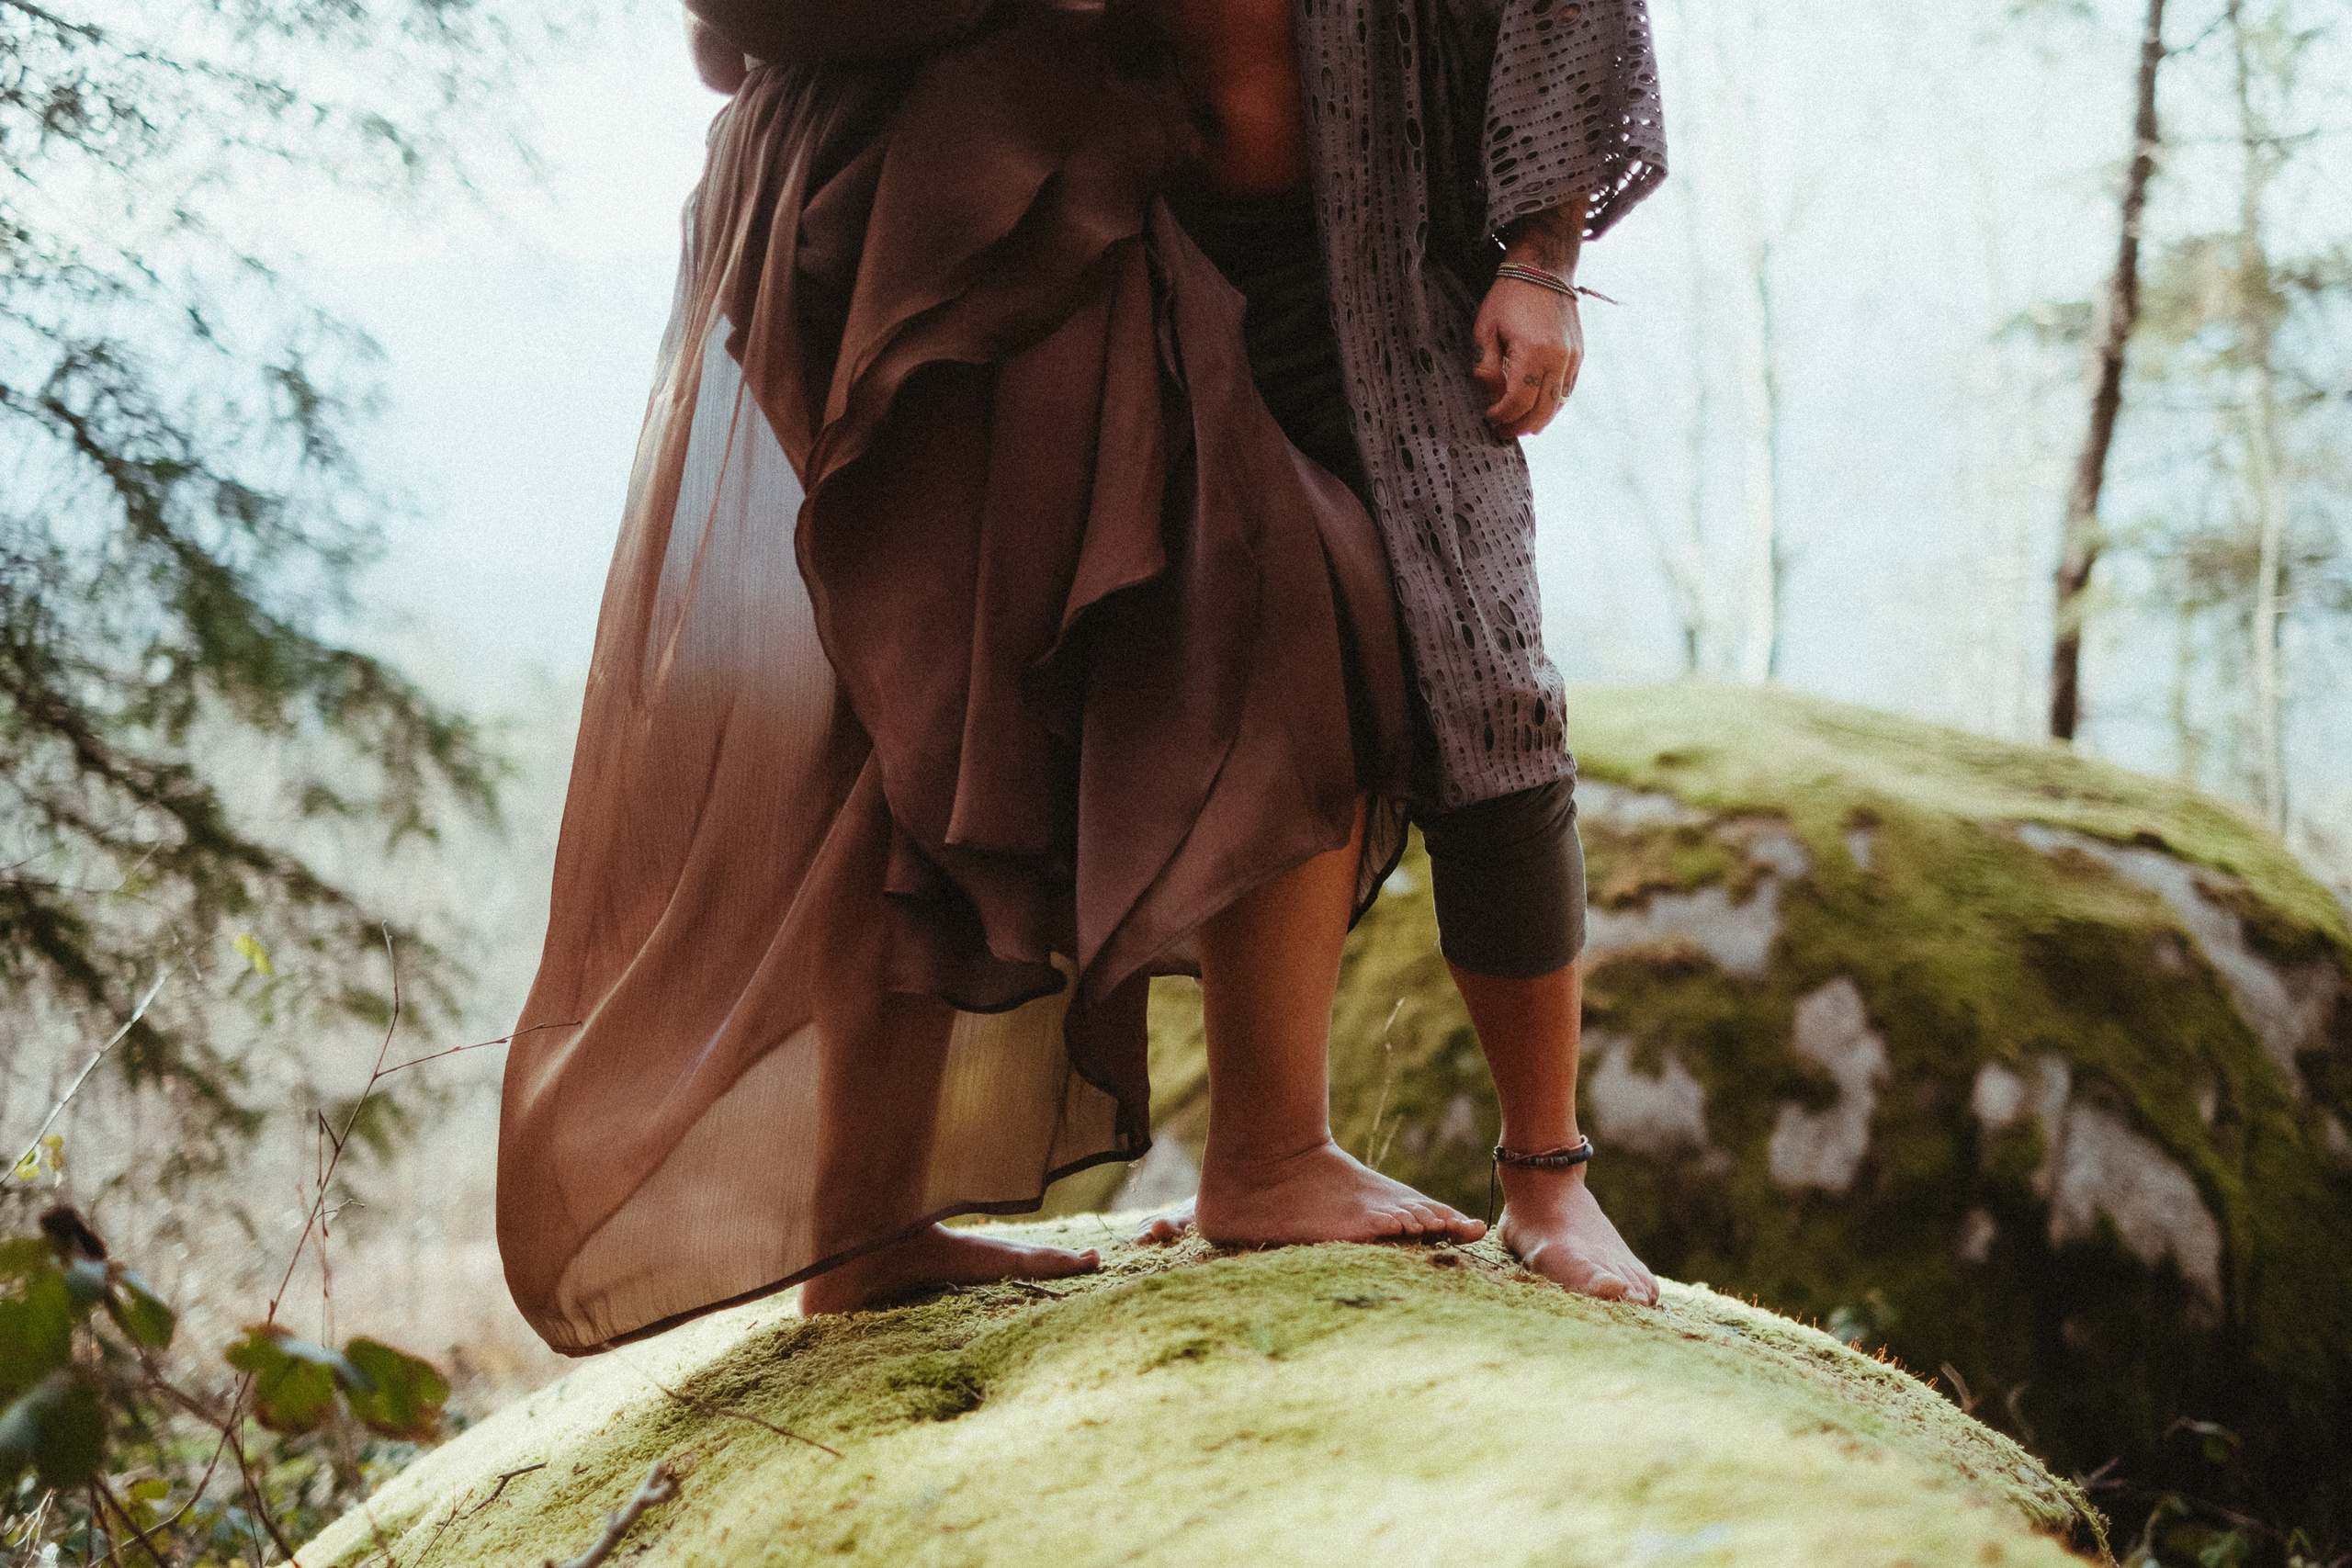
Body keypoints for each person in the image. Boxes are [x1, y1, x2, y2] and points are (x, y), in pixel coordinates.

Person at [495, 0, 1662, 1357]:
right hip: (981, 228)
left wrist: (1543, 258)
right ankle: (1218, 1167)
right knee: (978, 685)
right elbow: (720, 32)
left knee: (1468, 673)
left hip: (1262, 240)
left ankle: (1506, 1178)